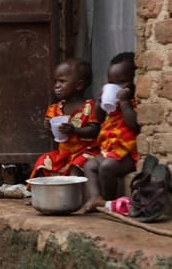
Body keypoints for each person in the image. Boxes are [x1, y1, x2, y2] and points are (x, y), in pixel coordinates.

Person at [82, 52, 139, 213]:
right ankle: (95, 197)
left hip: (128, 155)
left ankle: (109, 202)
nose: (117, 87)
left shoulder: (134, 102)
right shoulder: (112, 105)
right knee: (90, 165)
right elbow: (99, 118)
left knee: (107, 167)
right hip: (111, 151)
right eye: (112, 83)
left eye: (122, 82)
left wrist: (124, 101)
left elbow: (133, 124)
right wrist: (100, 103)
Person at [29, 58, 100, 179]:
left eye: (62, 81)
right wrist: (49, 129)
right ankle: (46, 195)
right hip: (64, 154)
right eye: (55, 81)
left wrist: (75, 130)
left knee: (77, 165)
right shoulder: (55, 109)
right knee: (42, 162)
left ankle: (75, 196)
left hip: (87, 151)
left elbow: (95, 130)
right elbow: (56, 137)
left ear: (79, 85)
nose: (57, 86)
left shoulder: (90, 106)